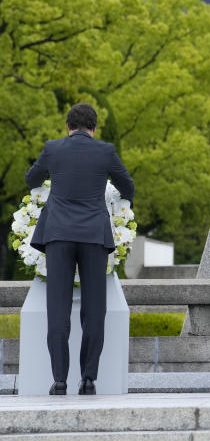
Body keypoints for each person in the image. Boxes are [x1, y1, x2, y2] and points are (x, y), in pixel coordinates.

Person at [26, 103, 135, 396]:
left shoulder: (53, 149)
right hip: (93, 235)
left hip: (58, 234)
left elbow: (31, 179)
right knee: (94, 309)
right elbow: (127, 184)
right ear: (94, 128)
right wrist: (124, 204)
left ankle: (59, 379)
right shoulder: (105, 151)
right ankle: (88, 379)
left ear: (67, 126)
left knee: (58, 309)